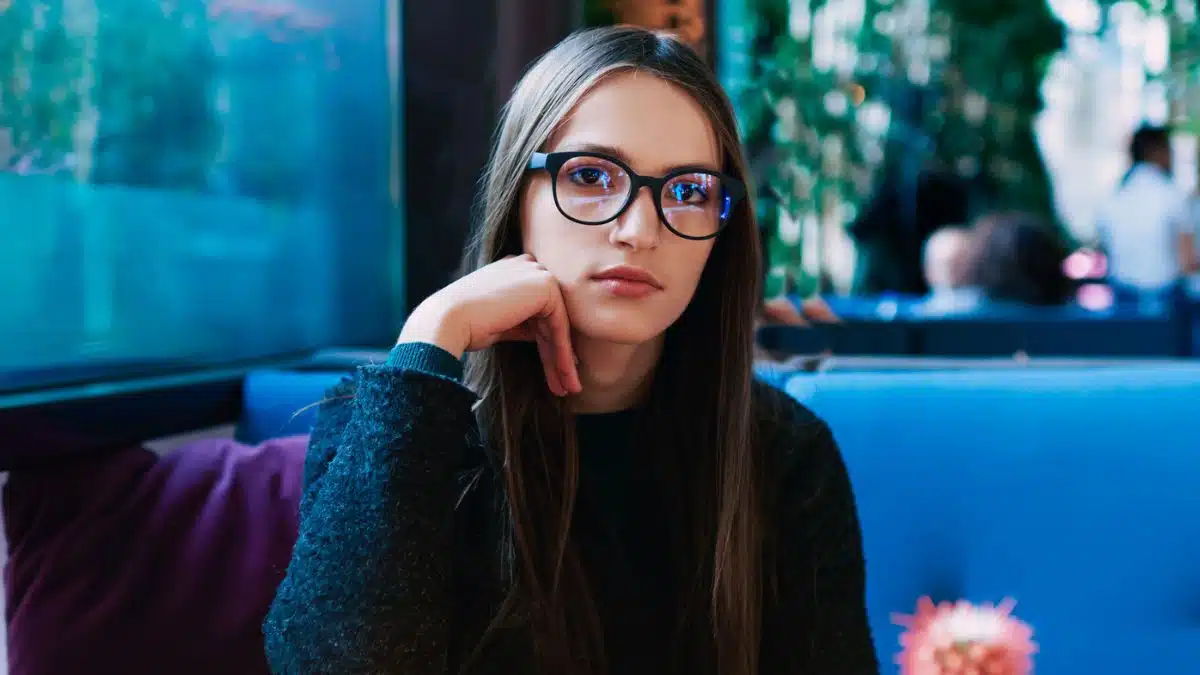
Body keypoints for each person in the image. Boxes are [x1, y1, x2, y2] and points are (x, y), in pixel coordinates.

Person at [263, 26, 876, 675]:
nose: (639, 230)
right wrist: (433, 331)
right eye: (589, 175)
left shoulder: (783, 454)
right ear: (517, 198)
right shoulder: (398, 426)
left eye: (689, 191)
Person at [1096, 124, 1199, 299]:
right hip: (1167, 299)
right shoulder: (1172, 196)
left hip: (1123, 297)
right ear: (1158, 152)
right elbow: (1187, 262)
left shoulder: (1112, 198)